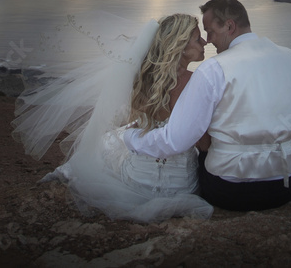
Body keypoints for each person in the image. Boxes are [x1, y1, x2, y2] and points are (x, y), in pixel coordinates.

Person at [11, 12, 213, 222]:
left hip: (138, 180)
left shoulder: (141, 79)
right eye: (198, 39)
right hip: (180, 185)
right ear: (179, 46)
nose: (204, 42)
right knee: (120, 138)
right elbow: (204, 142)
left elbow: (134, 118)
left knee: (110, 141)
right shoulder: (195, 82)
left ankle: (70, 171)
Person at [123, 0, 291, 211]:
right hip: (285, 186)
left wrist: (129, 137)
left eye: (210, 31)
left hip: (228, 190)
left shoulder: (213, 69)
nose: (208, 40)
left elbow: (176, 140)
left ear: (229, 26)